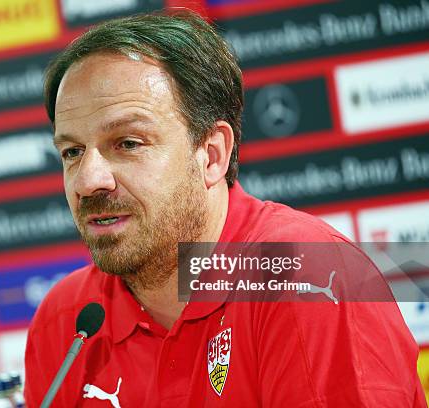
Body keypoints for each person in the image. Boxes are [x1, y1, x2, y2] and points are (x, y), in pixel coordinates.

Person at [23, 10, 426, 407]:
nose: (88, 180)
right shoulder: (66, 319)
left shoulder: (302, 277)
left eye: (128, 143)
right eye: (72, 151)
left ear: (212, 155)